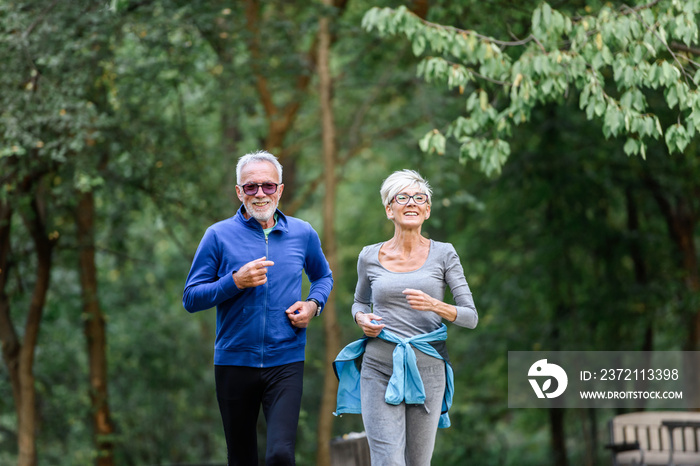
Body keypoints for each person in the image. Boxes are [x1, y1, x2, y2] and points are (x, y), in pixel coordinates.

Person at [183, 150, 333, 465]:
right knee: (241, 458)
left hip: (286, 360)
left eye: (267, 186)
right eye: (251, 187)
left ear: (280, 189)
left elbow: (323, 277)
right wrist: (234, 281)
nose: (260, 193)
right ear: (239, 192)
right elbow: (191, 297)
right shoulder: (218, 235)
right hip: (234, 361)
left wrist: (313, 305)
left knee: (280, 454)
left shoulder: (302, 233)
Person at [333, 169, 478, 466]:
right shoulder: (369, 256)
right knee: (388, 461)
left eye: (419, 198)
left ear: (427, 210)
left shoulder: (444, 254)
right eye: (402, 197)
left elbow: (470, 316)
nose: (411, 203)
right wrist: (361, 318)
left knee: (417, 462)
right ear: (389, 209)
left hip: (428, 369)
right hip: (378, 366)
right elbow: (359, 301)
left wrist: (435, 305)